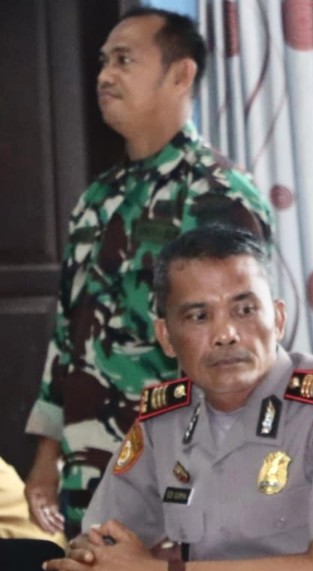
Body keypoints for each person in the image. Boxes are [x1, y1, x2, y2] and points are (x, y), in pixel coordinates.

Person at [42, 226, 313, 571]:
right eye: (199, 316)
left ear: (278, 319)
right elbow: (95, 556)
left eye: (245, 310)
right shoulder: (163, 420)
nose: (226, 334)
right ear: (165, 336)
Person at [24, 8, 272, 541]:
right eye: (103, 62)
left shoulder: (216, 195)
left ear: (180, 75)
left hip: (176, 471)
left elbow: (239, 346)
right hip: (88, 463)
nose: (104, 75)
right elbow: (68, 336)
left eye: (124, 60)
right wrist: (46, 454)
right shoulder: (98, 197)